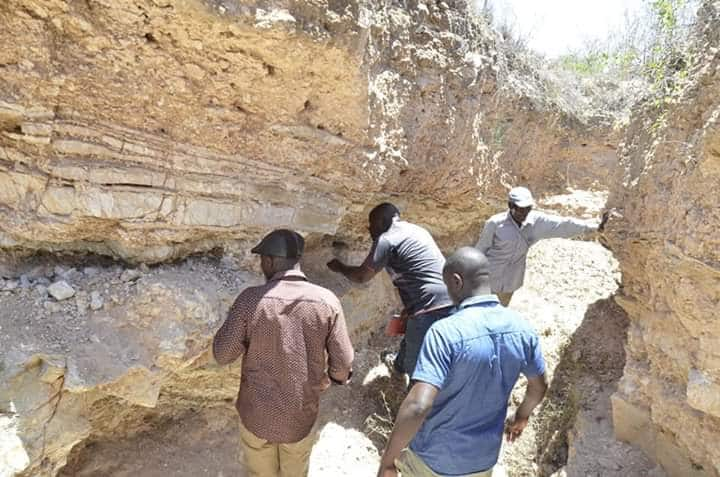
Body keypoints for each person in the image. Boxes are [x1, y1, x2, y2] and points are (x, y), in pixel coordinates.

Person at [377, 247, 547, 477]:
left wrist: (388, 461)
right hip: (483, 460)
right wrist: (521, 416)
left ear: (456, 282)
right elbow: (538, 387)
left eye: (447, 286)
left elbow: (418, 405)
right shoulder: (522, 328)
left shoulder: (445, 332)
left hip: (435, 460)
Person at [213, 229, 354, 477]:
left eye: (262, 261)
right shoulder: (327, 301)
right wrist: (334, 379)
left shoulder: (250, 300)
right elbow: (343, 362)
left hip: (257, 415)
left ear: (269, 261)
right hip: (300, 417)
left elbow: (223, 354)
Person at [327, 203, 452, 376]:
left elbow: (362, 276)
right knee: (415, 340)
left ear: (380, 221)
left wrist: (340, 267)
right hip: (453, 300)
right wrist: (410, 307)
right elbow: (422, 272)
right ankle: (399, 367)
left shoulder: (387, 239)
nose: (370, 231)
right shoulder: (418, 231)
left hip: (428, 309)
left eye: (371, 226)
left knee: (419, 371)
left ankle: (414, 393)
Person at [476, 186, 609, 306]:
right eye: (521, 209)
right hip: (488, 282)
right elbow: (479, 251)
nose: (525, 214)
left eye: (528, 209)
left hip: (511, 282)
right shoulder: (495, 224)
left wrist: (595, 227)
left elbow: (563, 225)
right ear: (511, 206)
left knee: (500, 315)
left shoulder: (536, 222)